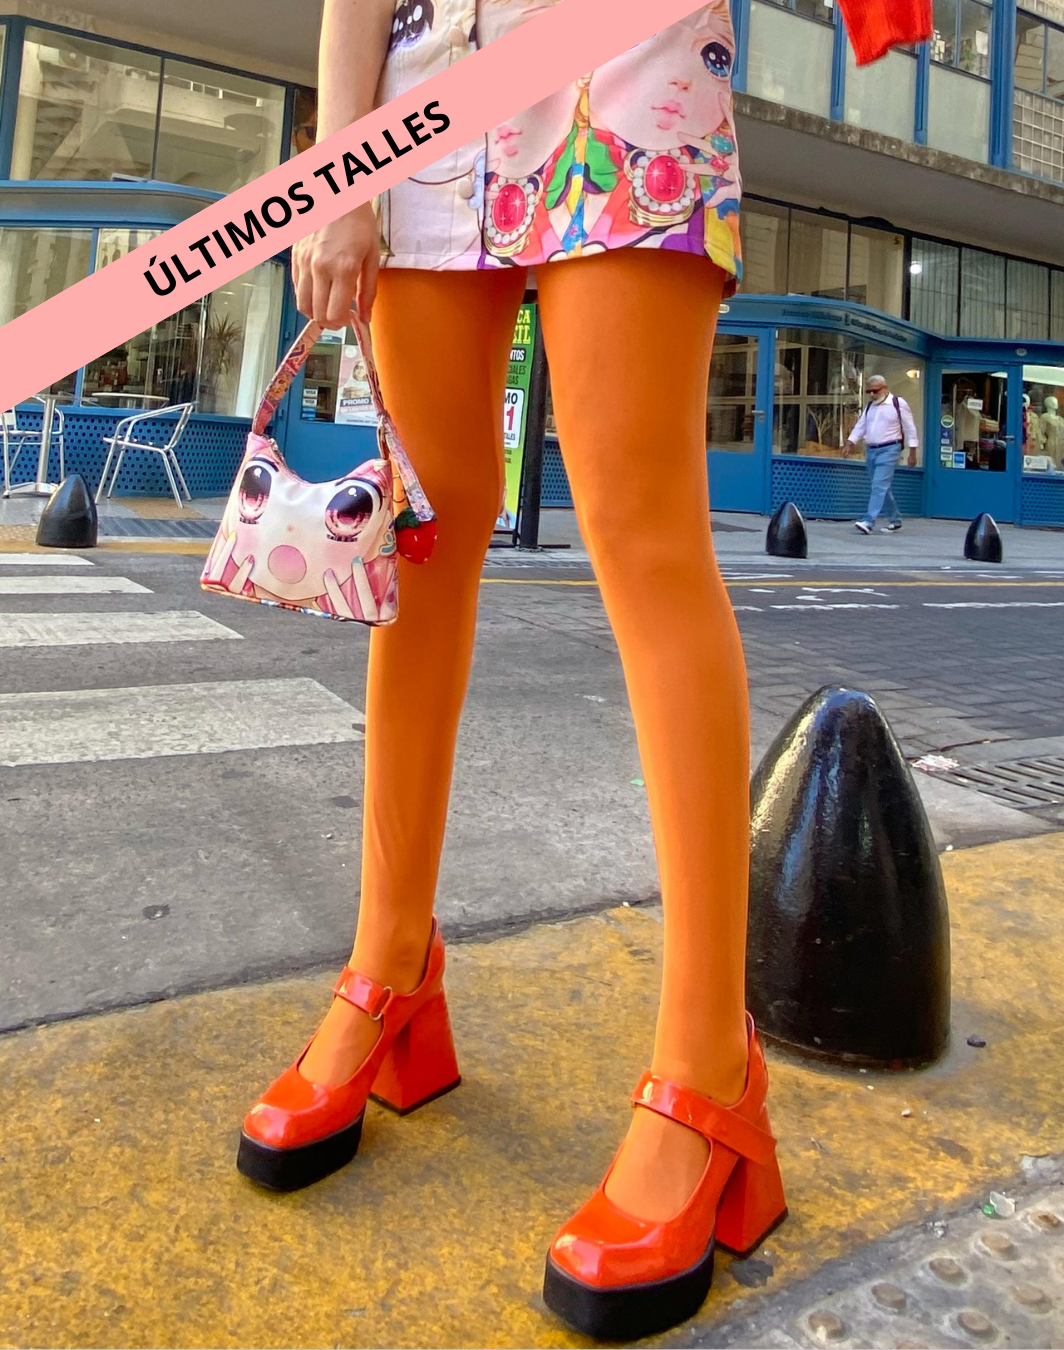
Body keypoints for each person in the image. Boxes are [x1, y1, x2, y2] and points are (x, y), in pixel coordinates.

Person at [235, 0, 921, 1337]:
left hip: (627, 49)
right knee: (423, 543)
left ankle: (707, 1067)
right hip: (431, 88)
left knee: (644, 533)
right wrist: (341, 173)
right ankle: (387, 971)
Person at [846, 374, 919, 534]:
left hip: (890, 449)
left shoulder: (898, 404)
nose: (872, 394)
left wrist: (912, 451)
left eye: (875, 390)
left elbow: (910, 428)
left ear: (885, 388)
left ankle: (868, 521)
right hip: (871, 450)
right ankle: (895, 519)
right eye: (869, 391)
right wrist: (850, 442)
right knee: (881, 486)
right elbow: (861, 426)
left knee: (879, 485)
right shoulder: (870, 407)